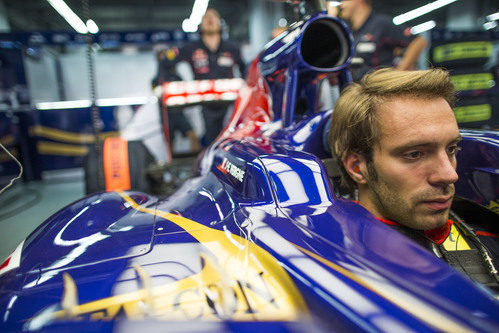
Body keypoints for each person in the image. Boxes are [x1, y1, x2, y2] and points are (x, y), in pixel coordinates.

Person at [328, 68, 499, 288]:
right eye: (415, 154)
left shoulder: (488, 234)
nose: (450, 174)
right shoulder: (335, 268)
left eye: (451, 149)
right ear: (358, 167)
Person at [176, 8, 245, 146]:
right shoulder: (190, 48)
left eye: (213, 16)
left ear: (220, 23)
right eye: (205, 17)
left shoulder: (232, 47)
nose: (210, 19)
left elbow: (245, 69)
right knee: (208, 142)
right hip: (202, 105)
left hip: (230, 103)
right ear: (200, 24)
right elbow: (167, 63)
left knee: (232, 140)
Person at [339, 0, 428, 81]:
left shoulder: (380, 24)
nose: (341, 5)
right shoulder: (348, 31)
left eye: (344, 0)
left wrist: (399, 74)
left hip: (380, 91)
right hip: (358, 91)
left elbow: (419, 42)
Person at [153, 47, 200, 153]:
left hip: (179, 113)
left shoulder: (177, 77)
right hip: (167, 116)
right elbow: (155, 92)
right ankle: (171, 164)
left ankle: (194, 159)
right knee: (170, 143)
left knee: (193, 136)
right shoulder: (156, 80)